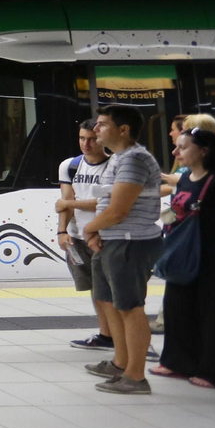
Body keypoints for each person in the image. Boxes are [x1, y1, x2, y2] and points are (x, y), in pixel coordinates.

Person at [80, 105, 164, 395]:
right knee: (108, 301)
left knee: (130, 307)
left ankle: (136, 376)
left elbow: (118, 210)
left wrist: (90, 228)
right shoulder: (120, 158)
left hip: (131, 242)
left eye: (102, 125)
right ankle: (121, 362)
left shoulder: (134, 160)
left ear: (123, 130)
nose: (96, 130)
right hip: (114, 240)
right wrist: (97, 231)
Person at [154, 128, 215, 390]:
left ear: (204, 151)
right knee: (178, 309)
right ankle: (179, 362)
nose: (175, 152)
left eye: (183, 147)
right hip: (185, 257)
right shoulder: (187, 178)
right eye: (177, 146)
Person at [57, 121, 114, 351]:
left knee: (111, 289)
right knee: (94, 288)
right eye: (82, 138)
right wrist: (61, 231)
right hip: (77, 236)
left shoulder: (113, 165)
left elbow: (108, 202)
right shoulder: (70, 165)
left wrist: (70, 202)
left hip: (105, 236)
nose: (86, 144)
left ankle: (125, 340)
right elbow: (65, 202)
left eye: (91, 139)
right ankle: (106, 335)